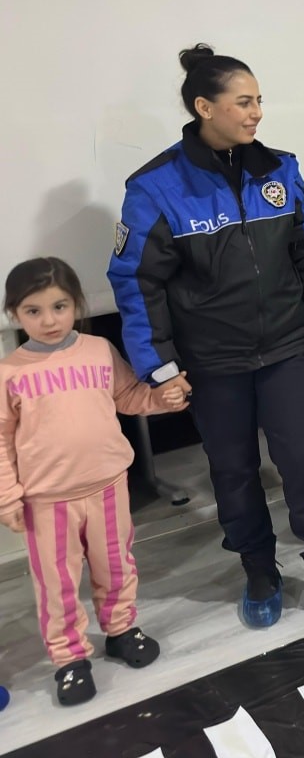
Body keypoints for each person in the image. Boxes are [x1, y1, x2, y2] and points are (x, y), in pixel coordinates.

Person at [108, 44, 304, 634]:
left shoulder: (281, 168)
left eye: (259, 100)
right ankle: (260, 571)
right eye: (244, 102)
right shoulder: (155, 186)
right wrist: (159, 367)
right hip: (214, 362)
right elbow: (136, 282)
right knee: (234, 472)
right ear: (204, 107)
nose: (257, 112)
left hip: (287, 350)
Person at [1, 258, 190, 705]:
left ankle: (121, 629)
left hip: (107, 486)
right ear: (14, 314)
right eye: (33, 311)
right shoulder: (9, 372)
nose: (49, 320)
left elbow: (128, 397)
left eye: (59, 306)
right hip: (47, 501)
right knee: (56, 583)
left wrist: (163, 399)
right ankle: (69, 658)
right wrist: (8, 496)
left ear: (77, 304)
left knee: (116, 565)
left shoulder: (98, 350)